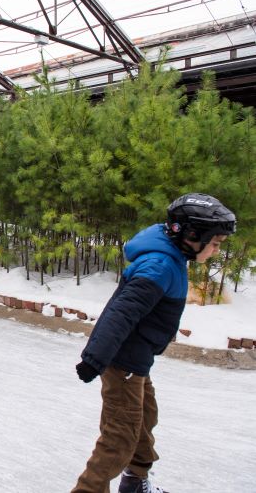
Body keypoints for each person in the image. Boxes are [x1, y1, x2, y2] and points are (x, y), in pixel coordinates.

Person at [72, 193, 237, 493]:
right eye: (215, 243)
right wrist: (95, 359)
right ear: (190, 235)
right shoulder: (160, 265)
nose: (216, 250)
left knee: (145, 418)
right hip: (123, 361)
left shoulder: (172, 255)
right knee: (120, 436)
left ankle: (135, 482)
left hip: (136, 361)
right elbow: (123, 311)